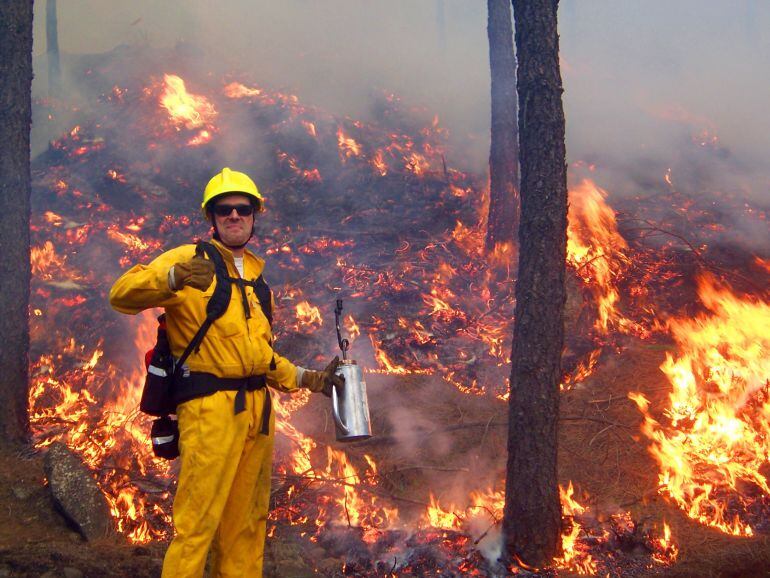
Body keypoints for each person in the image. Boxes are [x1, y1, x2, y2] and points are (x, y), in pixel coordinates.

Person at [109, 167, 342, 577]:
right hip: (211, 413)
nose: (234, 216)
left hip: (258, 413)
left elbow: (258, 355)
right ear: (212, 218)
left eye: (242, 209)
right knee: (197, 525)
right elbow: (121, 295)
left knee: (247, 526)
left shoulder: (255, 278)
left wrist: (308, 379)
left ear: (254, 216)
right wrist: (172, 278)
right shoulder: (188, 259)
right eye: (224, 210)